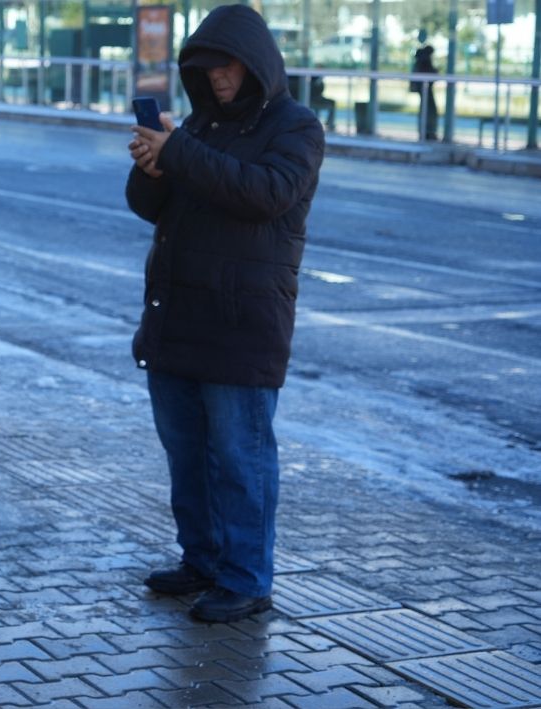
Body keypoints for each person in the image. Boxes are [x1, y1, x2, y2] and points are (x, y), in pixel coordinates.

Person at [125, 4, 325, 623]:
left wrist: (180, 152)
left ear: (257, 62)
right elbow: (152, 206)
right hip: (178, 319)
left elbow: (265, 194)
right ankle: (202, 561)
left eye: (228, 66)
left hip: (243, 327)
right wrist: (152, 167)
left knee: (241, 459)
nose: (217, 78)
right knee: (187, 456)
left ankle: (246, 578)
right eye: (206, 68)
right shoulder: (200, 127)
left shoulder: (296, 127)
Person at [410, 30, 439, 141]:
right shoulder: (422, 56)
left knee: (428, 108)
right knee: (428, 109)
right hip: (423, 86)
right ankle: (427, 132)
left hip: (425, 87)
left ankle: (428, 131)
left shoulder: (421, 57)